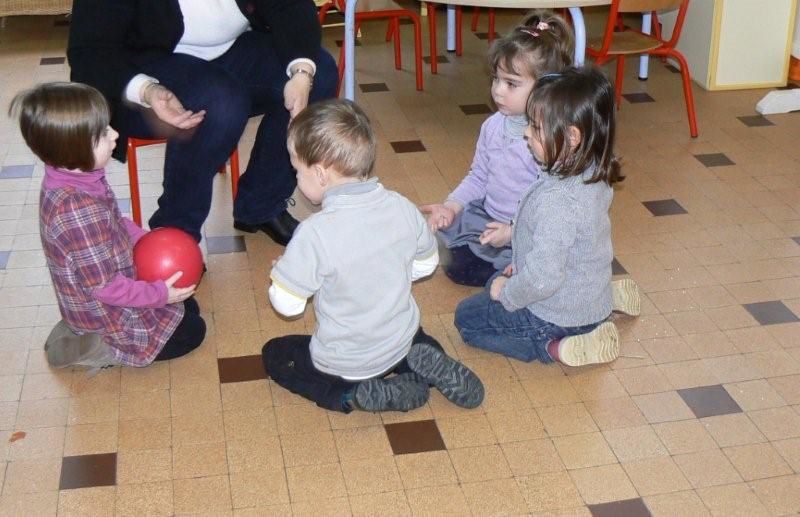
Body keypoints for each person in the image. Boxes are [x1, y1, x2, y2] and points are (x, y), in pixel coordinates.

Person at [262, 99, 484, 413]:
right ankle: (425, 361)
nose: (295, 179)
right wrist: (383, 272)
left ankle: (351, 395)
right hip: (400, 338)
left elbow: (287, 304)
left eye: (297, 170)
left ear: (322, 175)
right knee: (412, 336)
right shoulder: (402, 206)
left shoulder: (314, 233)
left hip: (347, 359)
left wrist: (283, 275)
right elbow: (426, 263)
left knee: (277, 355)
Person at [67, 0, 338, 245]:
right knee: (221, 102)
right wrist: (146, 89)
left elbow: (290, 6)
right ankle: (175, 240)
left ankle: (261, 205)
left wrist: (301, 71)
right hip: (141, 73)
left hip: (228, 53)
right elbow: (88, 53)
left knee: (319, 73)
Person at [10, 82, 206, 369]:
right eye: (102, 133)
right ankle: (93, 346)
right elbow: (105, 287)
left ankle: (82, 329)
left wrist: (146, 240)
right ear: (73, 148)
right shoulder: (76, 210)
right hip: (105, 310)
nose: (115, 134)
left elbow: (114, 221)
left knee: (187, 305)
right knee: (193, 332)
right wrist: (159, 295)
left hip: (110, 280)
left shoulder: (79, 174)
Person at [454, 67, 625, 367]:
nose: (525, 133)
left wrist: (509, 292)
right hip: (581, 289)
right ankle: (602, 300)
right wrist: (516, 255)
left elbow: (544, 279)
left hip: (556, 313)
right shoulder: (591, 170)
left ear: (572, 137)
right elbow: (561, 246)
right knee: (495, 282)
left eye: (534, 127)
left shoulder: (558, 202)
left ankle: (557, 346)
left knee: (467, 320)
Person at [420, 10, 573, 287]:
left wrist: (513, 231)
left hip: (530, 229)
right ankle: (504, 267)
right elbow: (478, 176)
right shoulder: (493, 126)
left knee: (528, 261)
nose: (498, 91)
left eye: (511, 84)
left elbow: (551, 207)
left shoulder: (546, 141)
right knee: (445, 244)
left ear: (545, 88)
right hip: (488, 216)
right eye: (496, 79)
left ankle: (517, 270)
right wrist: (451, 206)